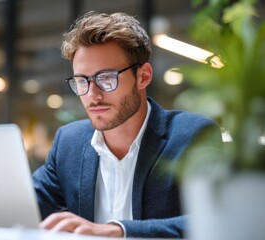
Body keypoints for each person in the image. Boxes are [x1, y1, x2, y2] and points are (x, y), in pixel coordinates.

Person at [32, 11, 223, 238]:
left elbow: (215, 218)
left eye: (106, 78)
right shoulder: (69, 142)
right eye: (82, 81)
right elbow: (27, 205)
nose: (92, 94)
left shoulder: (193, 134)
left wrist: (119, 231)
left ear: (143, 77)